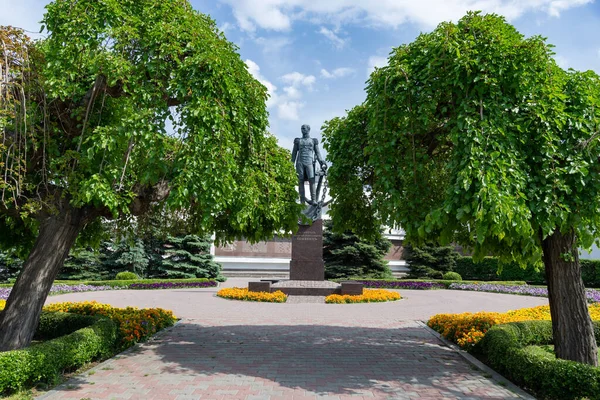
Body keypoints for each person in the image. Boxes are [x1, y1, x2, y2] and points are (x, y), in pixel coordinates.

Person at [291, 124, 327, 205]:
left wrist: (321, 162)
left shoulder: (313, 141)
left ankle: (313, 199)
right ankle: (302, 201)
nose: (302, 130)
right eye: (301, 128)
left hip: (309, 162)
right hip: (300, 162)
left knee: (312, 180)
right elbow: (294, 154)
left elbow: (317, 153)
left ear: (308, 129)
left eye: (304, 128)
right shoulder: (298, 141)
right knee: (300, 181)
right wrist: (291, 165)